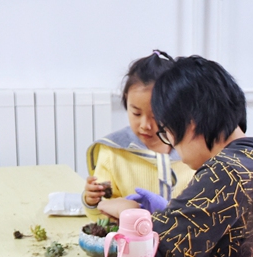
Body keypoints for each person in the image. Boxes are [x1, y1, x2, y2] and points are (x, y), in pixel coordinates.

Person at [98, 55, 253, 257]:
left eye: (167, 132)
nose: (171, 144)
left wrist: (129, 216)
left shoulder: (223, 173)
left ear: (191, 122)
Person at [81, 50, 195, 221]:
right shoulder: (113, 153)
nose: (145, 125)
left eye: (157, 116)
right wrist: (92, 201)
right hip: (131, 244)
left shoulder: (194, 151)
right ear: (126, 100)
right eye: (136, 113)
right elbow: (103, 217)